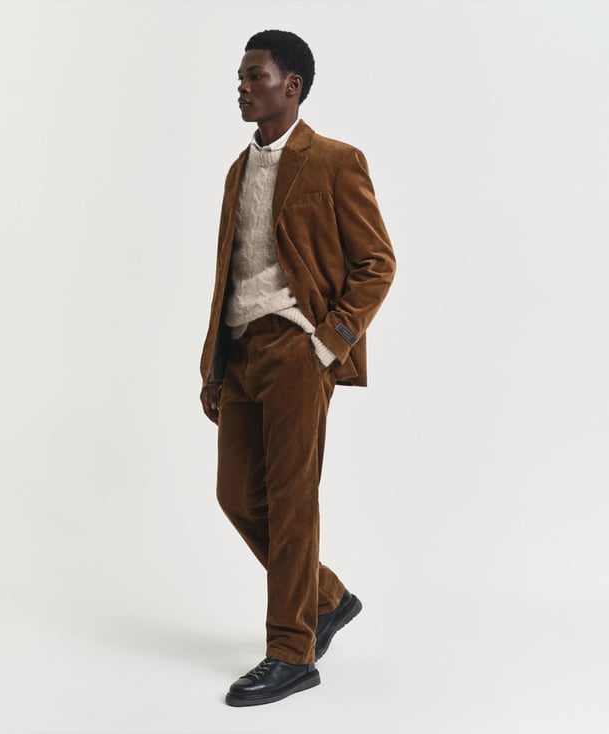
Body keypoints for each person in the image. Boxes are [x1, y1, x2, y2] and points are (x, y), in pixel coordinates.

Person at [199, 29, 396, 707]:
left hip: (296, 351)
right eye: (240, 76)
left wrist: (327, 342)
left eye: (254, 75)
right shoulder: (237, 170)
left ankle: (291, 651)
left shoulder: (336, 161)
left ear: (293, 85)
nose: (242, 86)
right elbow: (229, 276)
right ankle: (327, 596)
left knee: (290, 502)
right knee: (236, 495)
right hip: (241, 351)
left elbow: (377, 263)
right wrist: (215, 365)